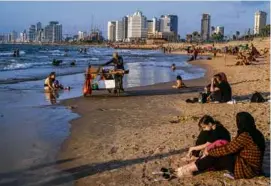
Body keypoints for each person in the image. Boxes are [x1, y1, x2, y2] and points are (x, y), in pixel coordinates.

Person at [175, 112, 265, 179]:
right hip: (252, 167)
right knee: (217, 156)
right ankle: (192, 167)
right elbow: (233, 147)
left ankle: (188, 169)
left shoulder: (246, 135)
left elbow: (228, 149)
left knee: (216, 155)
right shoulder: (256, 133)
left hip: (247, 169)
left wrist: (210, 151)